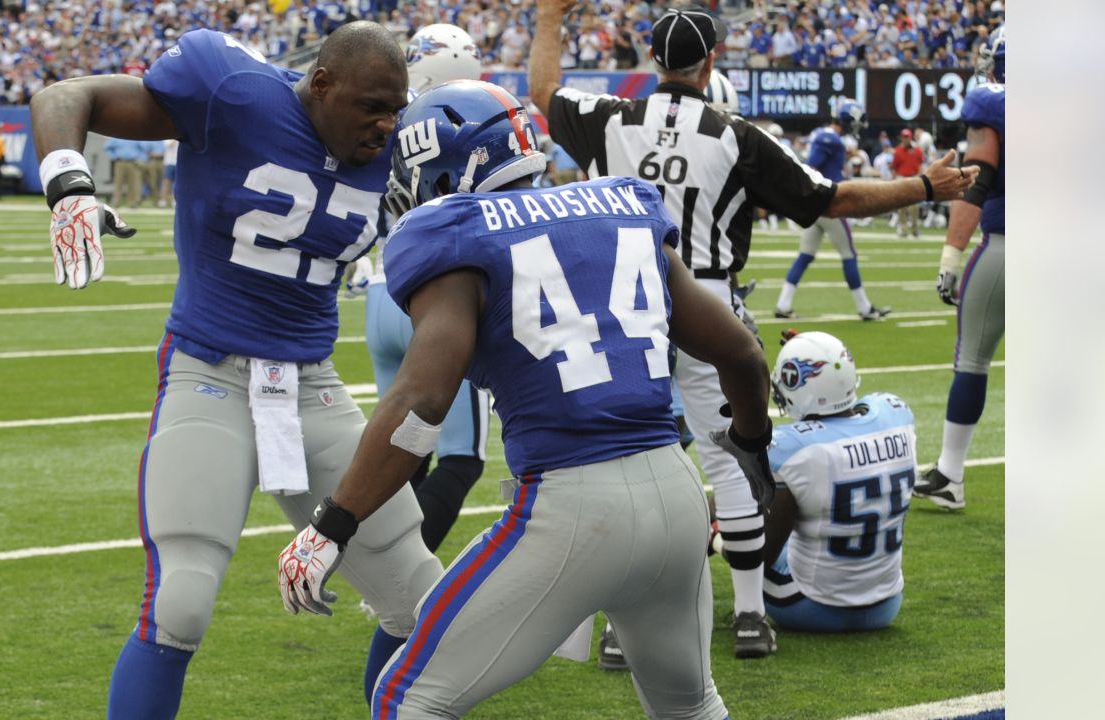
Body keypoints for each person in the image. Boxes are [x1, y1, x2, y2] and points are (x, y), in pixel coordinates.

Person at [277, 78, 775, 720]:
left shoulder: (453, 231)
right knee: (691, 707)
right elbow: (740, 352)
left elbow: (424, 400)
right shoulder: (623, 202)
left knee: (408, 701)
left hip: (570, 510)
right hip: (677, 499)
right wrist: (751, 444)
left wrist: (332, 525)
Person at [526, 1, 976, 659]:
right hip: (706, 301)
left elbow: (541, 92)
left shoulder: (612, 119)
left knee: (638, 465)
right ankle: (748, 616)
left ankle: (625, 630)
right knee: (733, 459)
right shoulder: (735, 133)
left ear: (652, 61)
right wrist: (924, 189)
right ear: (710, 62)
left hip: (624, 306)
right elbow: (832, 201)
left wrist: (547, 19)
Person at [29, 23, 442, 719]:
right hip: (209, 371)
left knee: (420, 600)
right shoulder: (235, 94)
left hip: (311, 384)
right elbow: (67, 95)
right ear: (321, 85)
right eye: (371, 104)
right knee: (179, 604)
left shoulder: (408, 149)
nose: (385, 123)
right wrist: (68, 183)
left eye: (395, 107)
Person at [360, 21, 489, 704]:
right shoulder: (463, 120)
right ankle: (407, 601)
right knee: (461, 459)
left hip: (381, 290)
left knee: (405, 451)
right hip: (436, 302)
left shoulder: (385, 119)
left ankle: (386, 583)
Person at [754, 330, 916, 631]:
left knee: (738, 526)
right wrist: (826, 360)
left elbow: (760, 555)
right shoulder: (897, 414)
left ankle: (716, 539)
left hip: (809, 607)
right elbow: (850, 405)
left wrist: (719, 535)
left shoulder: (789, 448)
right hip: (886, 603)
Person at [916, 27, 1006, 510]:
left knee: (972, 357)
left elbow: (979, 180)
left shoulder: (992, 102)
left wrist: (951, 254)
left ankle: (950, 474)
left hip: (1008, 245)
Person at [773, 101, 892, 322]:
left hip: (816, 207)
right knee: (849, 255)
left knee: (805, 255)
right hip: (829, 205)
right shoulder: (830, 138)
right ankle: (864, 308)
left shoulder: (826, 137)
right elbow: (811, 168)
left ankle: (783, 304)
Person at [890, 128, 924, 237]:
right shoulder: (898, 151)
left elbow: (920, 166)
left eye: (907, 137)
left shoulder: (917, 150)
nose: (905, 139)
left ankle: (915, 228)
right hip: (901, 178)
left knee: (914, 206)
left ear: (910, 137)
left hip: (913, 177)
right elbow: (894, 167)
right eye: (904, 137)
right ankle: (903, 228)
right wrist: (895, 180)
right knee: (901, 206)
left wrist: (919, 178)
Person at [103, 137, 146, 209]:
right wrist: (113, 156)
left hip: (133, 162)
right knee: (118, 183)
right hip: (120, 162)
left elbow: (143, 149)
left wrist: (140, 157)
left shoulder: (135, 137)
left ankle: (133, 203)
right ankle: (116, 203)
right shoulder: (117, 137)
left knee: (133, 183)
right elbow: (107, 147)